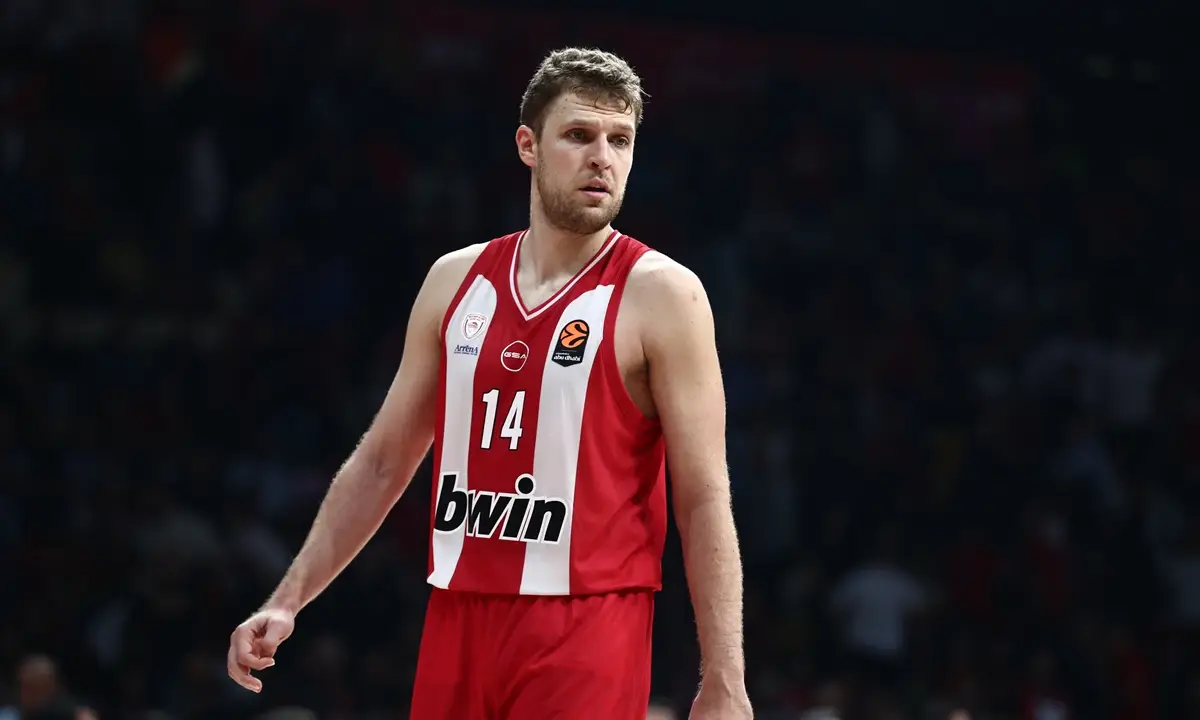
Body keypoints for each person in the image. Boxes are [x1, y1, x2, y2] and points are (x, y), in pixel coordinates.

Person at [226, 47, 751, 720]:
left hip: (586, 623)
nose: (602, 158)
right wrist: (287, 598)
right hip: (457, 613)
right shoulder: (455, 280)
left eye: (620, 140)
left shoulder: (664, 295)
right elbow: (383, 460)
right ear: (528, 145)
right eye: (579, 135)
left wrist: (724, 678)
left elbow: (703, 495)